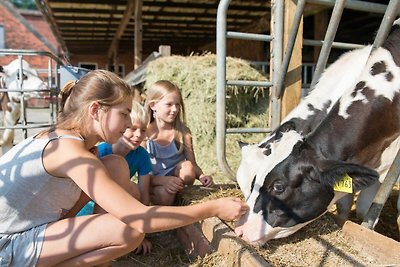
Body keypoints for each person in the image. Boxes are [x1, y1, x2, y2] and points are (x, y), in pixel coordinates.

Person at [0, 70, 248, 267]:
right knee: (129, 230)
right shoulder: (69, 151)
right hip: (6, 248)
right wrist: (212, 208)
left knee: (115, 166)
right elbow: (140, 218)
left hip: (28, 232)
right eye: (124, 113)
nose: (130, 123)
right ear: (96, 110)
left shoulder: (68, 141)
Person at [77, 101, 153, 255]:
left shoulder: (142, 155)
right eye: (132, 128)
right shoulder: (102, 151)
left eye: (143, 130)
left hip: (116, 201)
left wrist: (142, 233)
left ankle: (129, 230)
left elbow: (144, 195)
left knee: (133, 190)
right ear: (122, 127)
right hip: (91, 203)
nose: (138, 135)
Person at [144, 80, 214, 206]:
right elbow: (142, 174)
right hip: (154, 182)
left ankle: (179, 197)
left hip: (177, 182)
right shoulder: (144, 133)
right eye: (169, 104)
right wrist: (163, 181)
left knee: (187, 168)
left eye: (177, 105)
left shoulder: (183, 132)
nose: (174, 109)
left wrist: (202, 176)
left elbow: (193, 164)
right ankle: (163, 214)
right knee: (165, 194)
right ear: (153, 105)